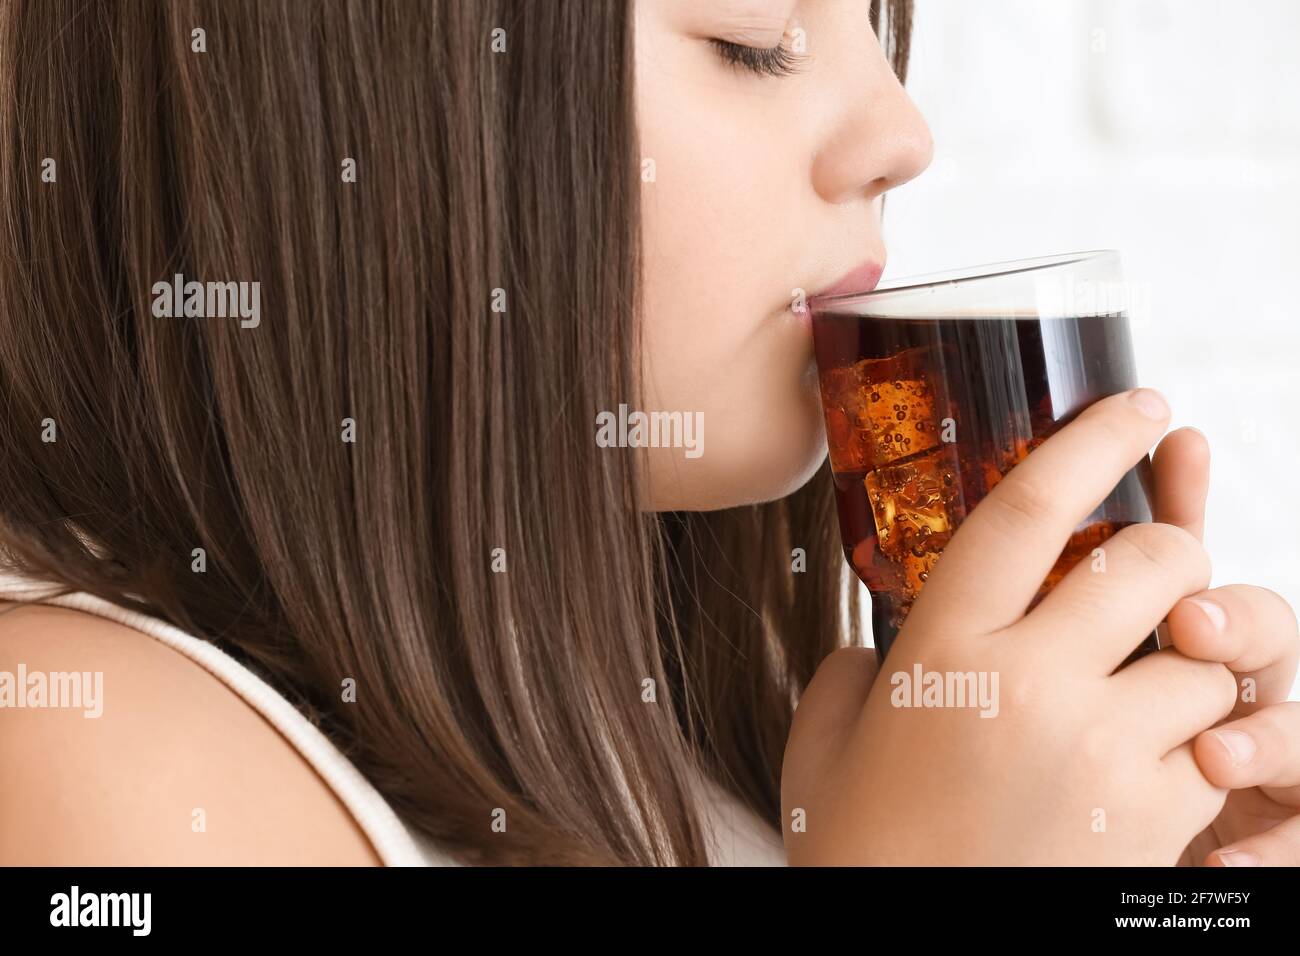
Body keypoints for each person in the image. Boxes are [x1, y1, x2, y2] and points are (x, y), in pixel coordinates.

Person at [0, 0, 1295, 866]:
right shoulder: (86, 758)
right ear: (358, 116)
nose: (903, 134)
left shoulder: (709, 747)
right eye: (754, 37)